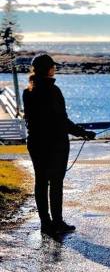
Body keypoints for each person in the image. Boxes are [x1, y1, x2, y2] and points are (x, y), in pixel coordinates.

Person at [23, 54, 96, 235]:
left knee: (41, 182)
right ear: (48, 69)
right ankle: (57, 221)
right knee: (55, 183)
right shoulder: (53, 91)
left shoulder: (28, 92)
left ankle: (45, 223)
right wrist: (83, 133)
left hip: (35, 144)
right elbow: (61, 121)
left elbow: (30, 121)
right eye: (53, 67)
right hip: (55, 145)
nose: (54, 69)